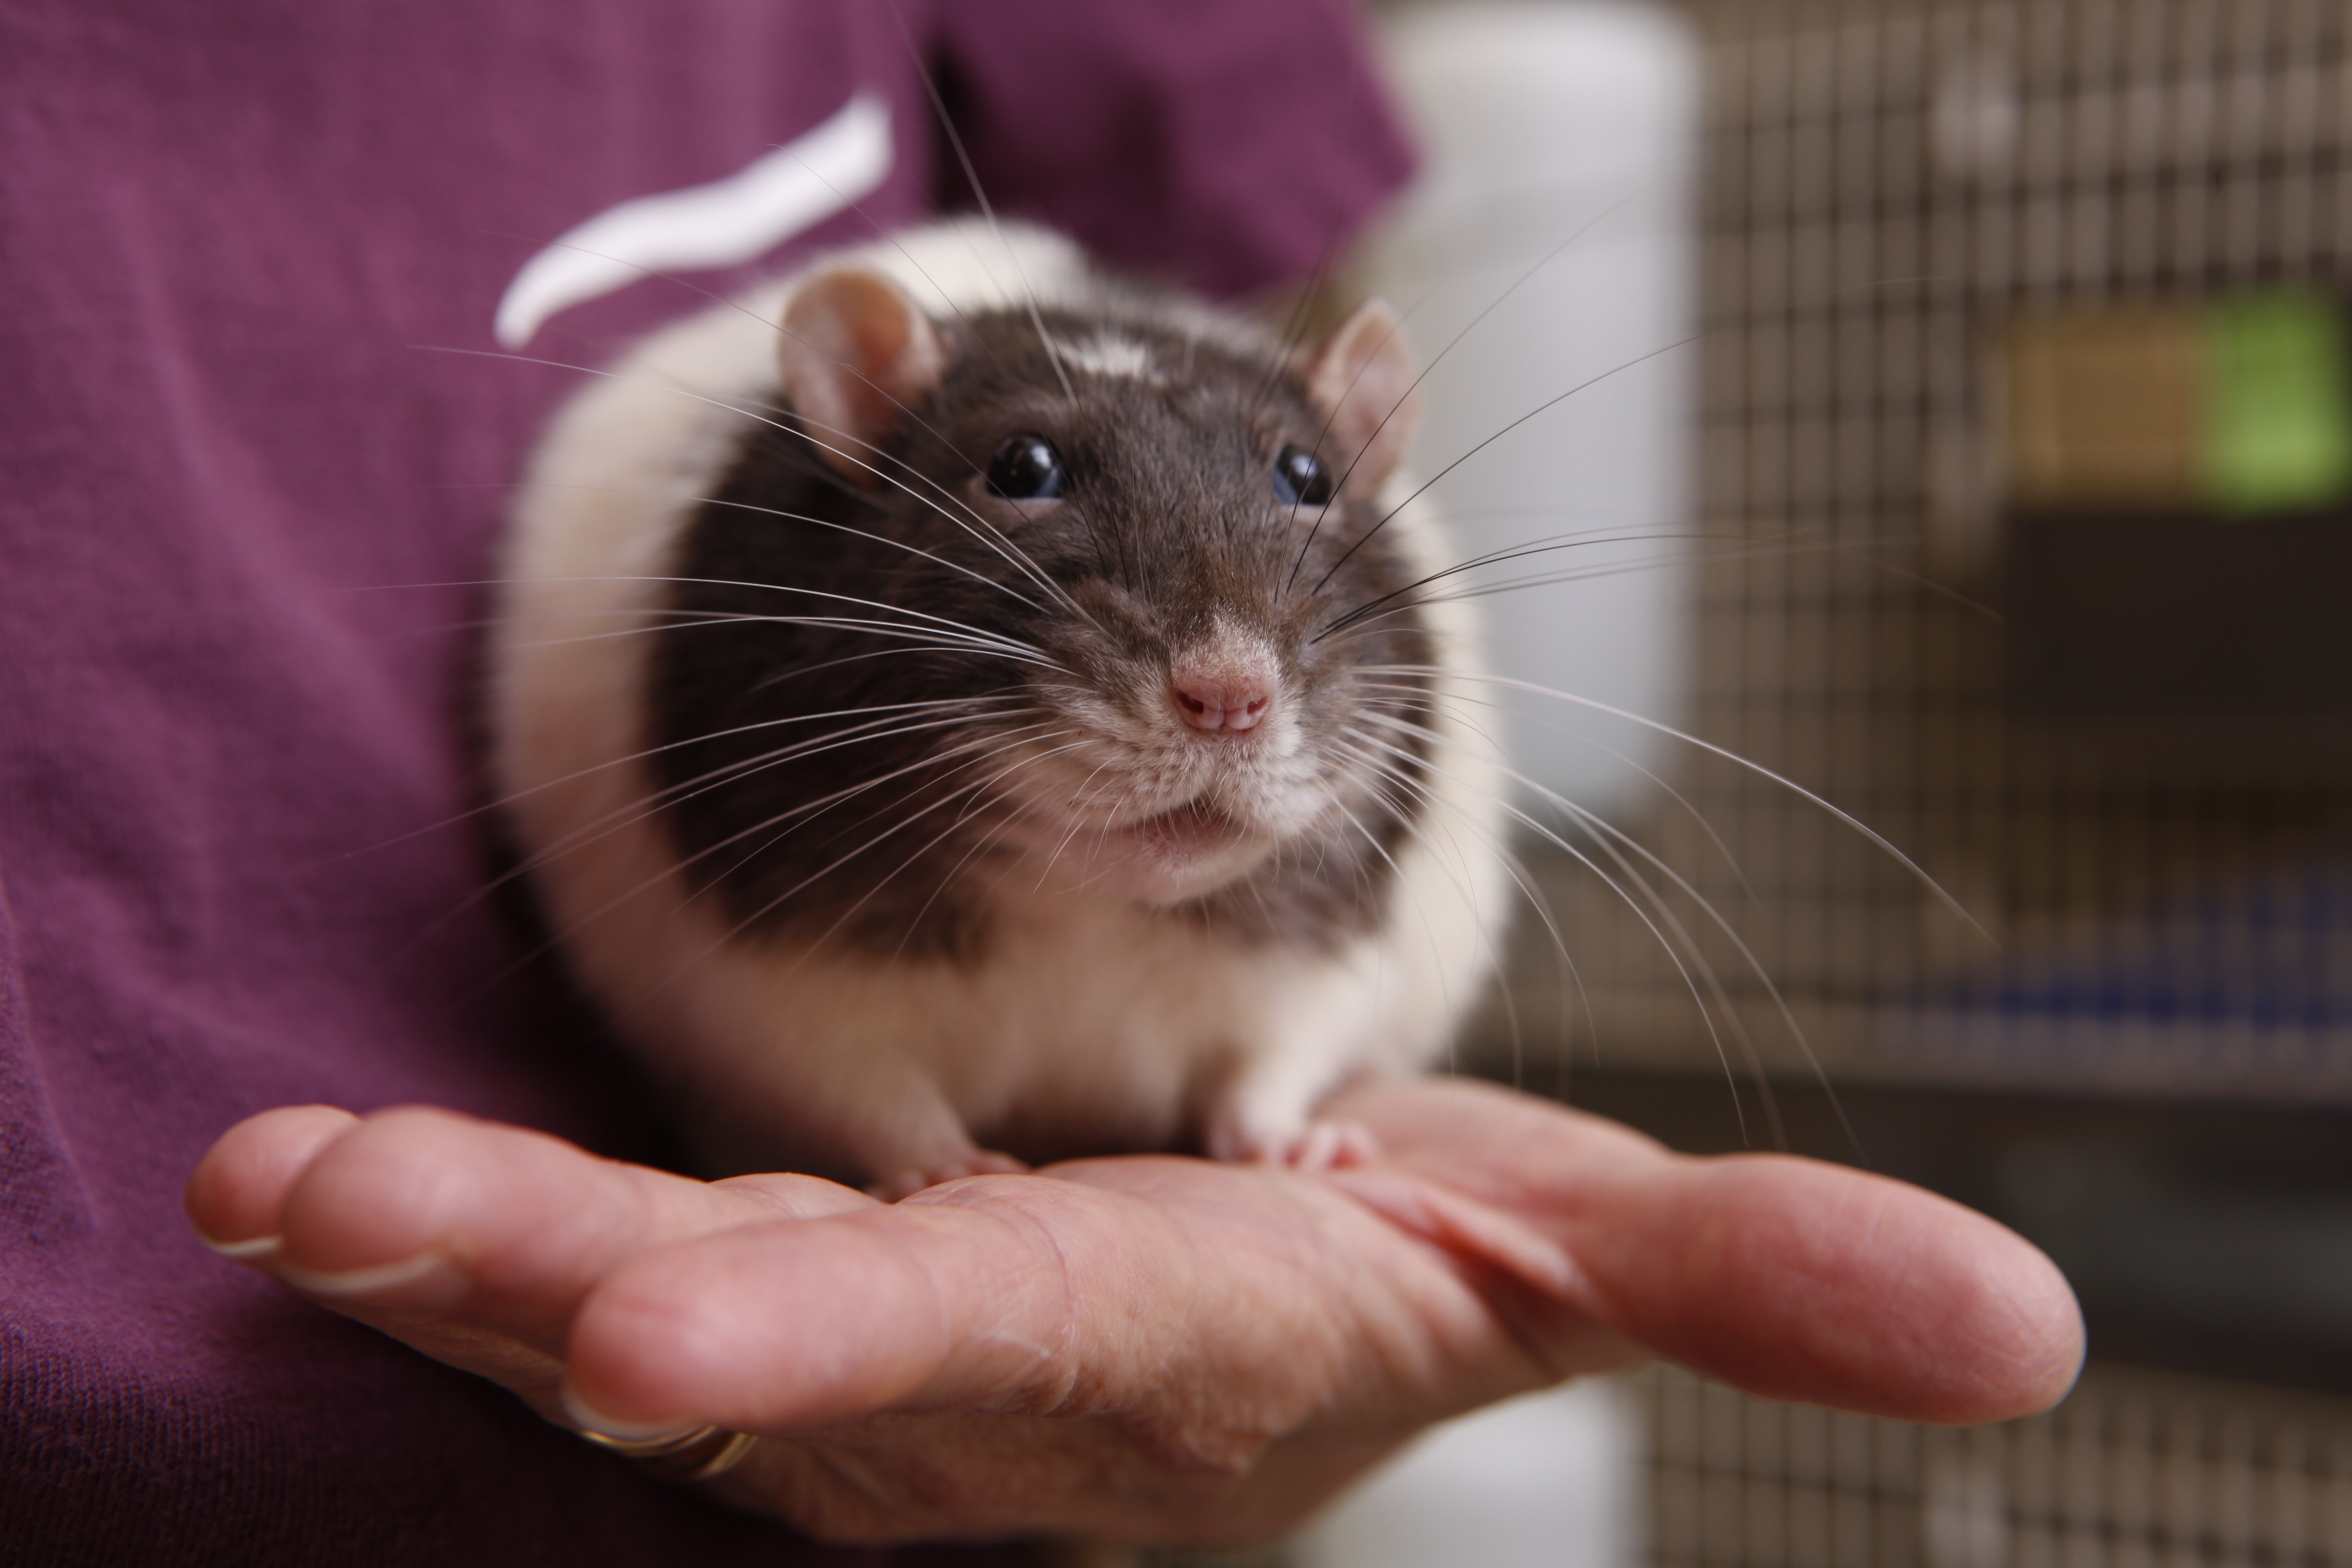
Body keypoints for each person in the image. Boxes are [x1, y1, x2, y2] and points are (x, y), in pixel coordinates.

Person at [0, 1, 2083, 1561]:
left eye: (1304, 494)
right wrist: (874, 1123)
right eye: (1015, 481)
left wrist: (1279, 1086)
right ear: (854, 432)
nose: (1224, 681)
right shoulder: (739, 658)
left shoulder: (1334, 627)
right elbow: (698, 901)